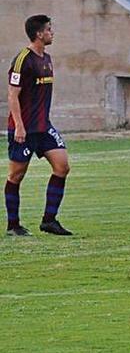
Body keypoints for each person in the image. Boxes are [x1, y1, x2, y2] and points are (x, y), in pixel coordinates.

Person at [5, 15, 72, 236]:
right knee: (16, 175)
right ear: (38, 34)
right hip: (24, 128)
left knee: (62, 166)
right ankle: (13, 225)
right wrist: (19, 126)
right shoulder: (23, 59)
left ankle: (49, 221)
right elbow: (13, 96)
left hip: (44, 127)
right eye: (49, 29)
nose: (52, 33)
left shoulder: (47, 58)